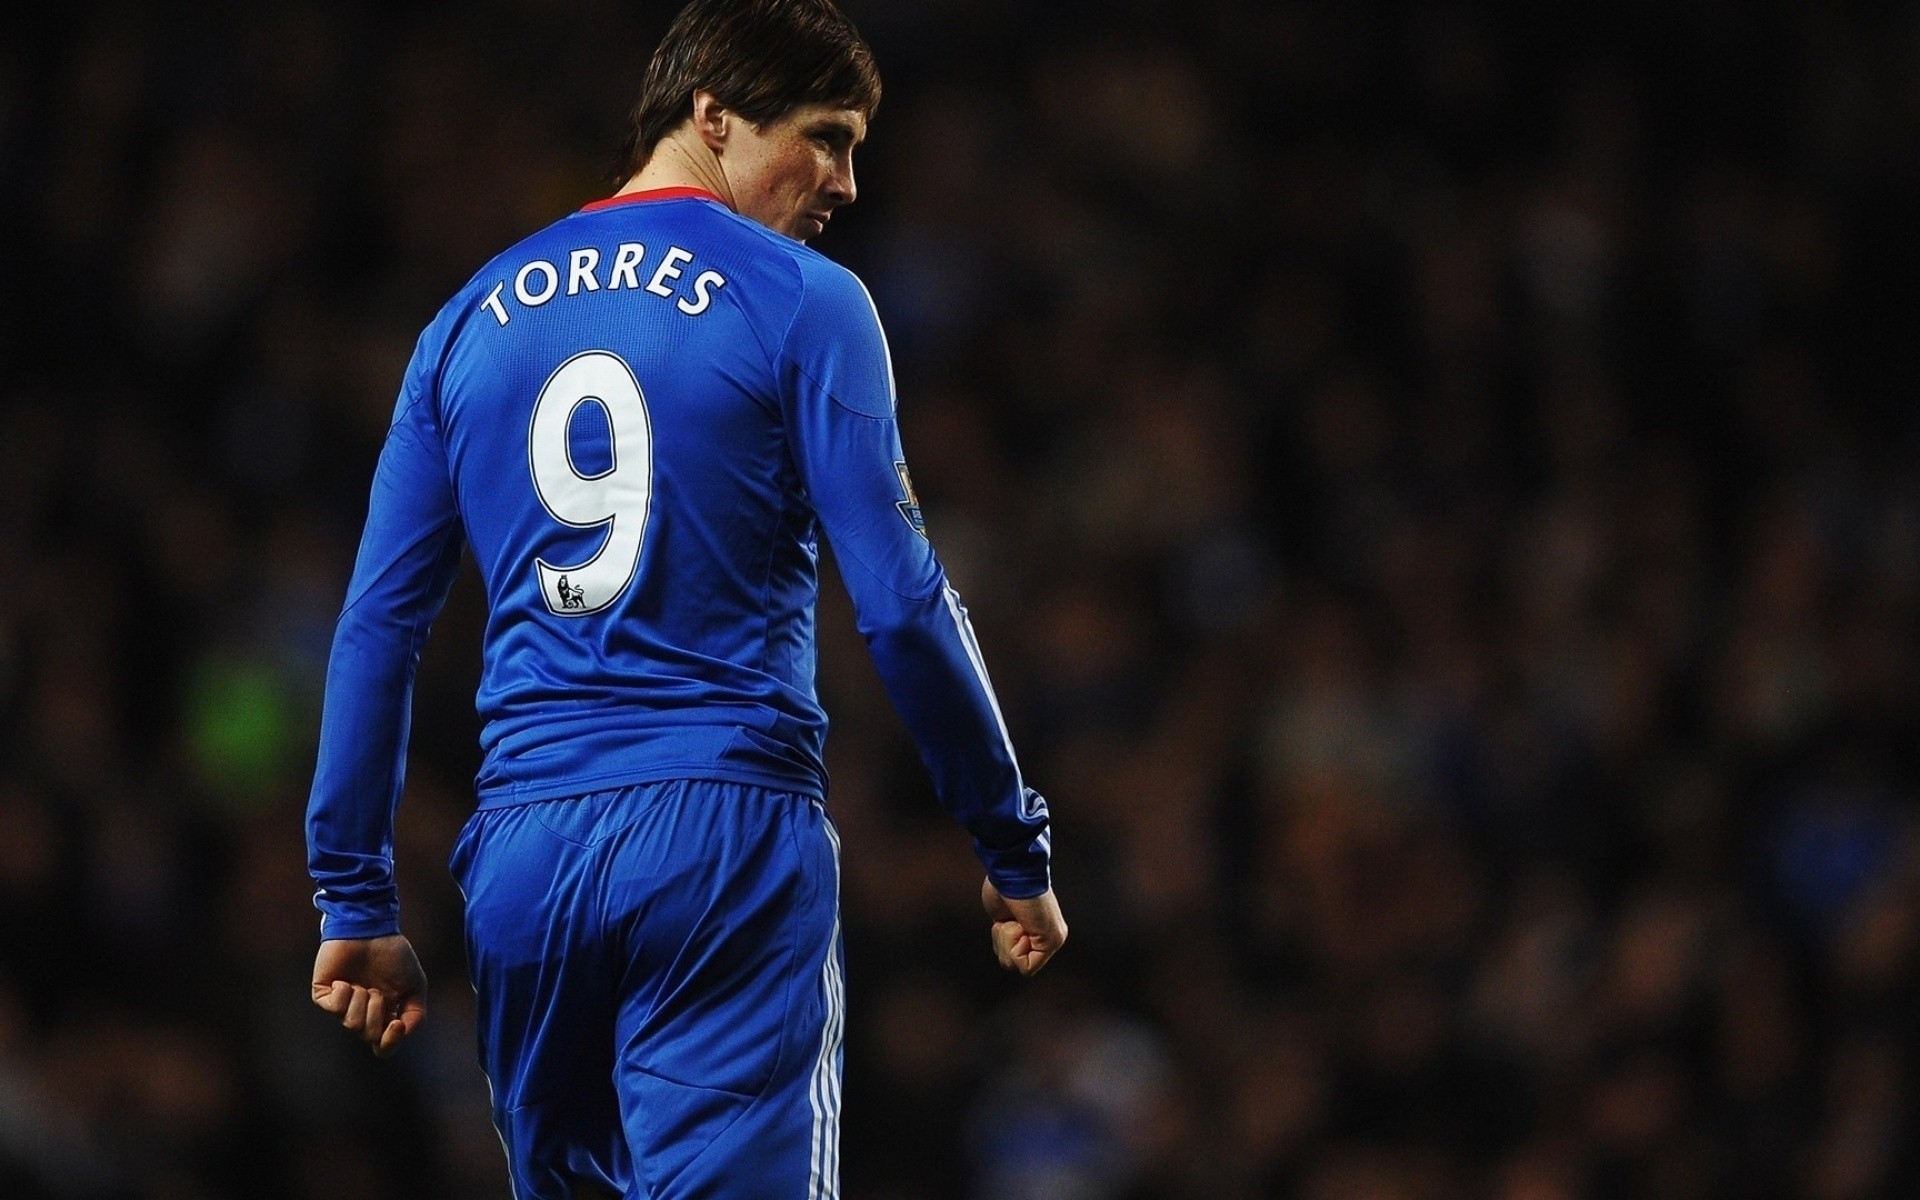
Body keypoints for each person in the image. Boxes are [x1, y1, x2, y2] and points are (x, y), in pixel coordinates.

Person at [303, 1, 1066, 1196]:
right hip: (723, 842)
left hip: (526, 863)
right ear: (711, 114)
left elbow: (378, 627)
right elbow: (906, 604)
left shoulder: (463, 325)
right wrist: (1008, 837)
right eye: (825, 136)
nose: (846, 183)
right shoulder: (806, 300)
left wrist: (353, 893)